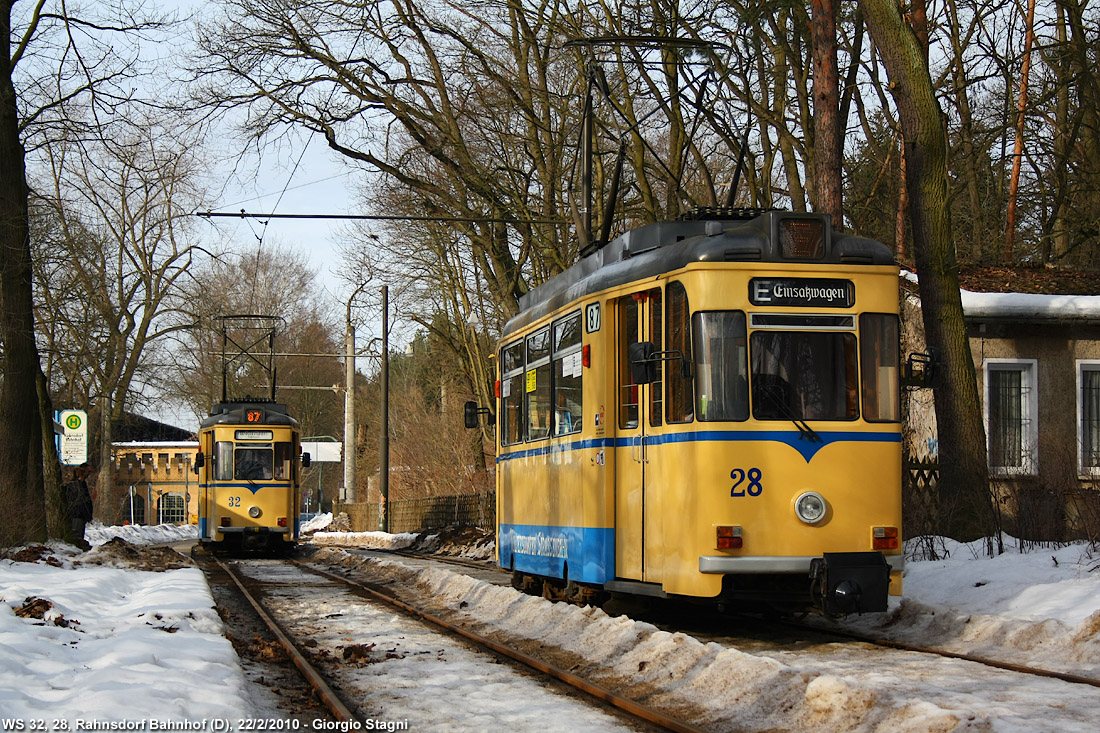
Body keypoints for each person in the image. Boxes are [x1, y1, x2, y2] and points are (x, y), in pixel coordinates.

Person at [63, 464, 95, 551]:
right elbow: (82, 502)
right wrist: (88, 516)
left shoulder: (77, 484)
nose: (89, 474)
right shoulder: (77, 485)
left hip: (79, 515)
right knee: (77, 537)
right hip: (78, 515)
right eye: (88, 472)